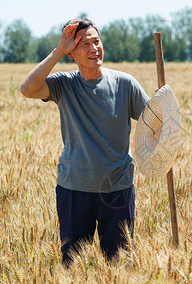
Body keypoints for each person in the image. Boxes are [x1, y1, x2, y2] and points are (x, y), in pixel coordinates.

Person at [19, 18, 149, 265]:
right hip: (74, 188)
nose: (93, 49)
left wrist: (163, 105)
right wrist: (58, 50)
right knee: (73, 266)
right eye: (84, 44)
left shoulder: (125, 83)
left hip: (118, 189)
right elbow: (27, 89)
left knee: (120, 265)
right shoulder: (64, 85)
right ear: (71, 54)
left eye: (96, 41)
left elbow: (153, 122)